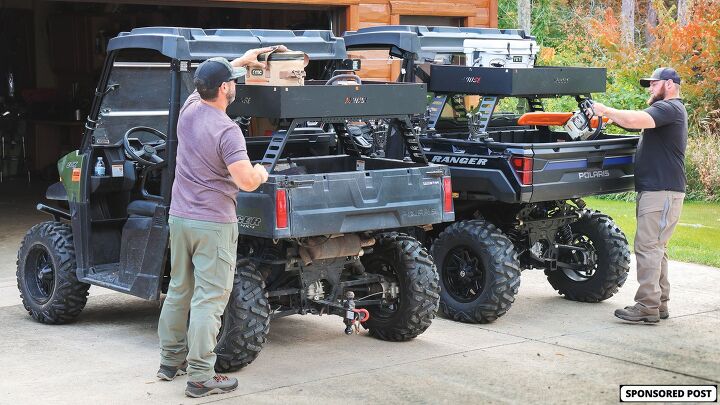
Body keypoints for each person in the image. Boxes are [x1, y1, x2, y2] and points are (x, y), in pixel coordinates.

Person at [156, 45, 285, 398]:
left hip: (180, 218)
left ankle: (170, 361)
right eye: (233, 80)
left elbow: (209, 77)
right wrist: (261, 171)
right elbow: (245, 180)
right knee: (210, 299)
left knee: (180, 289)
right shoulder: (227, 130)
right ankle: (200, 376)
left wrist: (243, 60)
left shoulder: (189, 109)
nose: (235, 84)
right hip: (213, 223)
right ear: (226, 88)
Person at [592, 67, 688, 324]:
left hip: (661, 193)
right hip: (661, 192)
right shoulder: (670, 112)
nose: (649, 88)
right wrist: (615, 119)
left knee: (647, 248)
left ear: (669, 84)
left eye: (653, 84)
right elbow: (634, 122)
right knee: (657, 249)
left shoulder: (669, 108)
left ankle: (646, 306)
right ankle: (660, 304)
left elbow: (635, 120)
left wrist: (605, 110)